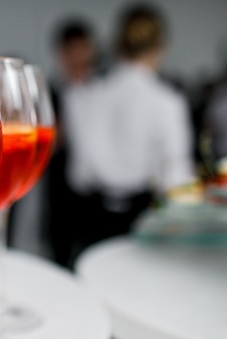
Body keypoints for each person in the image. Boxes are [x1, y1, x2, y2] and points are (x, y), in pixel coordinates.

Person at [60, 4, 196, 270]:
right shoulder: (167, 102)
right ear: (160, 47)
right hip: (143, 220)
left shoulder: (87, 96)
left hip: (93, 221)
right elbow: (176, 183)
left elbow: (79, 176)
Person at [45, 18, 98, 268]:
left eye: (81, 49)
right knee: (60, 253)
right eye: (70, 51)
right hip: (59, 190)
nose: (77, 57)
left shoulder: (103, 93)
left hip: (97, 194)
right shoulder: (50, 94)